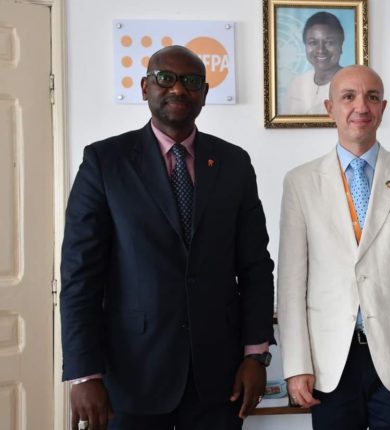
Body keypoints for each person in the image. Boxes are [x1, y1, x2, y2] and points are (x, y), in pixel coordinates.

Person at [60, 45, 276, 430]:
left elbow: (256, 267)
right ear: (145, 87)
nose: (178, 88)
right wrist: (84, 373)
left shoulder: (233, 163)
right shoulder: (105, 162)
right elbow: (80, 275)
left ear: (204, 94)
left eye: (191, 81)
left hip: (220, 376)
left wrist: (256, 355)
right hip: (131, 374)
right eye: (165, 78)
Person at [277, 65, 390, 429]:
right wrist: (296, 366)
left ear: (383, 108)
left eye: (372, 97)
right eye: (348, 97)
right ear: (330, 108)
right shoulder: (300, 182)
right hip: (329, 361)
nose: (361, 106)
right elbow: (291, 285)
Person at [281, 11, 345, 115]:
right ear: (305, 46)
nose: (321, 50)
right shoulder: (296, 84)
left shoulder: (351, 85)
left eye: (329, 42)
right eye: (313, 42)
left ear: (341, 45)